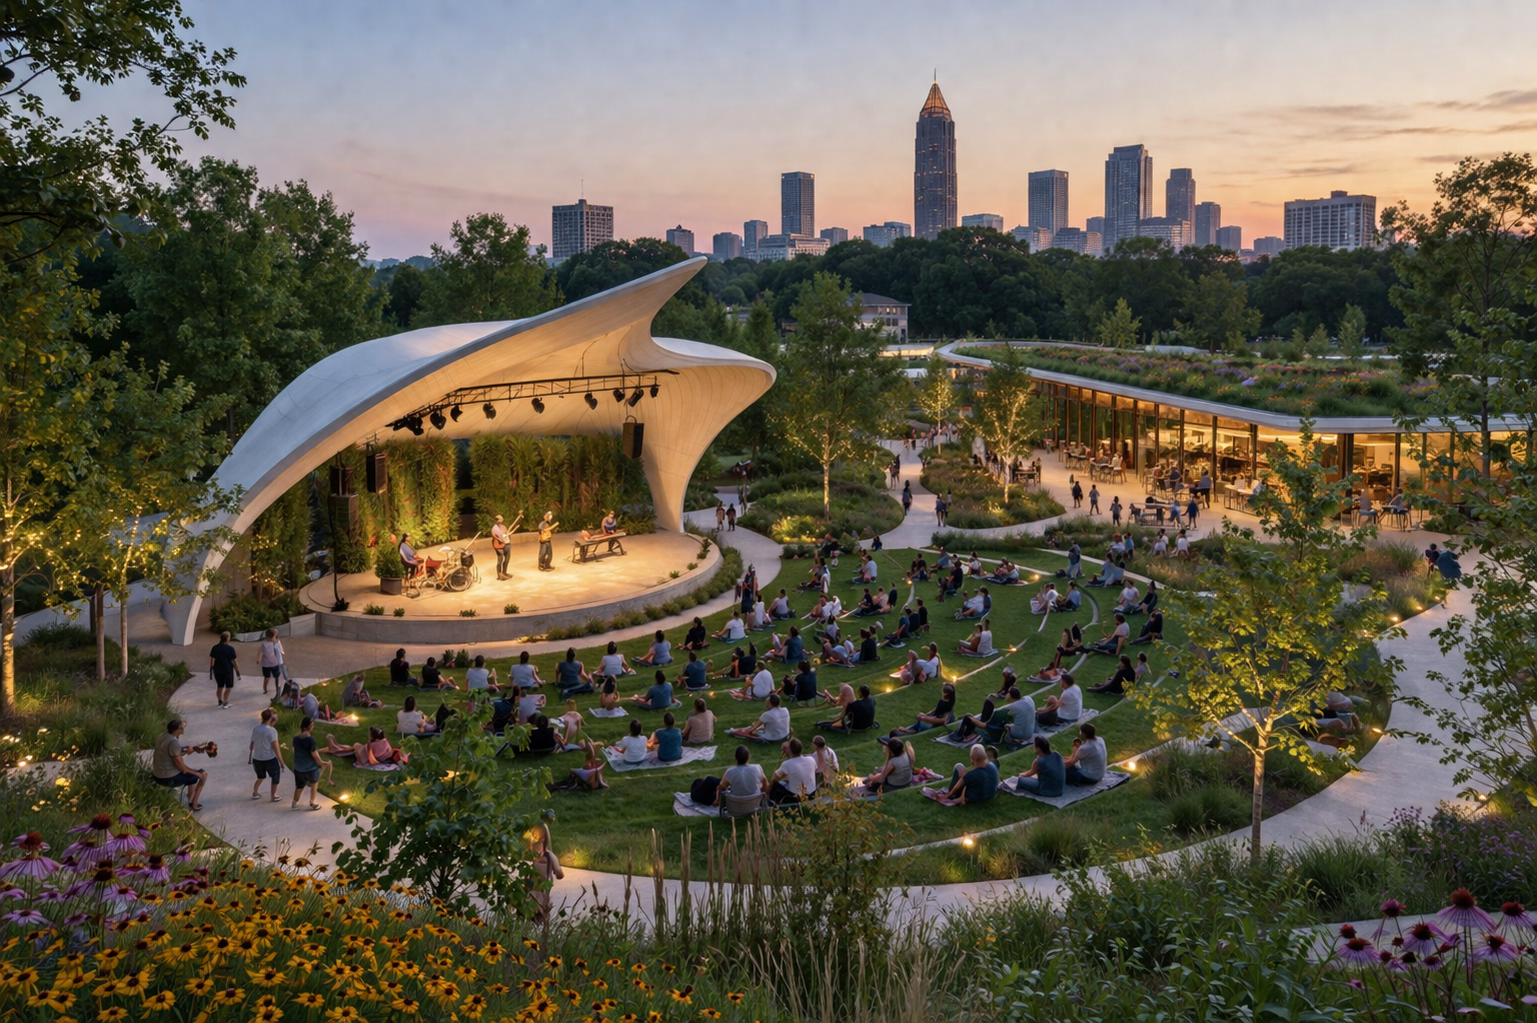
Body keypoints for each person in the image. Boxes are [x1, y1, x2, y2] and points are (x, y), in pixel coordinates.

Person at [923, 744, 1000, 806]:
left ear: (972, 758)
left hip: (973, 799)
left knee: (959, 766)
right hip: (990, 794)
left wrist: (948, 795)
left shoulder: (971, 775)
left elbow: (956, 788)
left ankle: (955, 796)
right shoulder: (993, 766)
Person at [324, 726, 408, 767]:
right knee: (354, 747)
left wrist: (366, 746)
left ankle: (335, 748)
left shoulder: (375, 744)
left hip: (371, 758)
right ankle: (336, 746)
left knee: (354, 748)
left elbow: (372, 757)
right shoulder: (383, 741)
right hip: (376, 756)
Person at [291, 716, 327, 811]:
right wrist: (323, 763)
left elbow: (296, 751)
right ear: (310, 726)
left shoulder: (295, 739)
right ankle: (312, 802)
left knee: (299, 786)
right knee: (314, 783)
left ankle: (294, 803)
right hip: (310, 768)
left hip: (298, 768)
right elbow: (315, 756)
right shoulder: (311, 740)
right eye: (312, 725)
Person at [767, 737, 817, 805]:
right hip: (812, 795)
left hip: (795, 797)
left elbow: (774, 778)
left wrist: (767, 791)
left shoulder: (787, 764)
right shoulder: (811, 759)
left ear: (790, 750)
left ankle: (770, 803)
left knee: (775, 785)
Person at [209, 631, 240, 709]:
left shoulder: (215, 648)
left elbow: (212, 659)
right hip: (227, 670)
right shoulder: (230, 649)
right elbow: (234, 661)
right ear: (227, 639)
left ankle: (219, 700)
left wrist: (212, 669)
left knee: (220, 686)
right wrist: (237, 671)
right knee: (229, 687)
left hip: (217, 670)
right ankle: (225, 701)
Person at [257, 629, 286, 697]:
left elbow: (260, 651)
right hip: (274, 664)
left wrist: (258, 659)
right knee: (275, 677)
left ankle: (266, 689)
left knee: (267, 677)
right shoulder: (275, 642)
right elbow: (260, 651)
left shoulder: (265, 643)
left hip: (267, 664)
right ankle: (273, 689)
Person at [491, 513, 514, 580]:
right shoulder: (494, 529)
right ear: (497, 520)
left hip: (506, 543)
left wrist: (508, 533)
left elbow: (506, 533)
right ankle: (499, 575)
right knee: (500, 560)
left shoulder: (503, 526)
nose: (502, 519)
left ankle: (504, 572)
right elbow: (500, 537)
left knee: (507, 559)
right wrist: (506, 534)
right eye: (501, 518)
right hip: (499, 546)